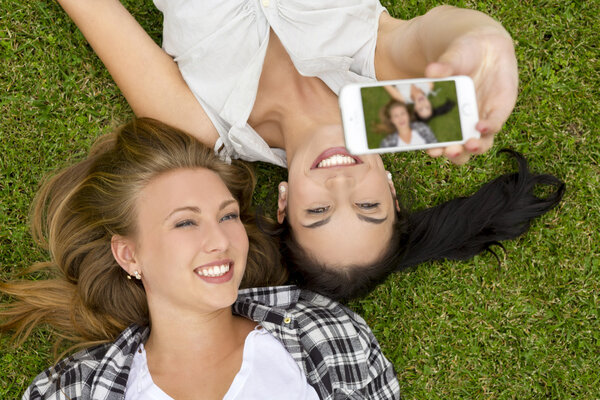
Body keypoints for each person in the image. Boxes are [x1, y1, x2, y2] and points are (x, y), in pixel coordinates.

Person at [56, 0, 520, 272]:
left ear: (283, 205)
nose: (341, 186)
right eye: (367, 206)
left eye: (317, 211)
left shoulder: (201, 124)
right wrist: (486, 39)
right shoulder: (386, 85)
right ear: (392, 191)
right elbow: (430, 33)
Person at [0, 119, 400, 399]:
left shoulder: (330, 334)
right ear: (128, 254)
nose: (220, 240)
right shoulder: (69, 391)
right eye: (185, 223)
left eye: (227, 215)